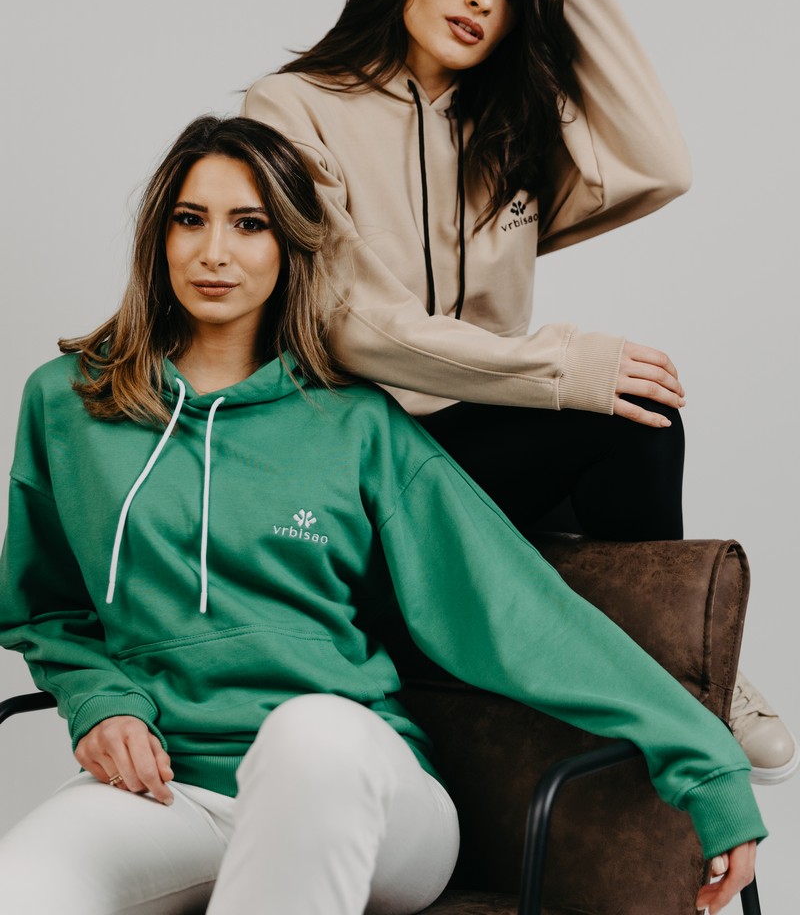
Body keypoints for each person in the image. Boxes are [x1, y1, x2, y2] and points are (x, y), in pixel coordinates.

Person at [0, 116, 764, 914]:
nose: (214, 252)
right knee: (20, 888)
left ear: (290, 245)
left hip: (369, 793)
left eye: (250, 224)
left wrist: (707, 763)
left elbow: (517, 611)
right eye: (191, 219)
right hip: (170, 792)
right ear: (159, 236)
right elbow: (46, 608)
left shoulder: (355, 424)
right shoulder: (69, 402)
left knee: (309, 735)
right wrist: (98, 702)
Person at [241, 0, 796, 783]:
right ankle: (679, 663)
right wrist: (561, 368)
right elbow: (352, 323)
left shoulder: (507, 132)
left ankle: (686, 659)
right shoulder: (292, 107)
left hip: (472, 454)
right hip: (359, 474)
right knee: (605, 402)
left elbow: (660, 166)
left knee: (639, 413)